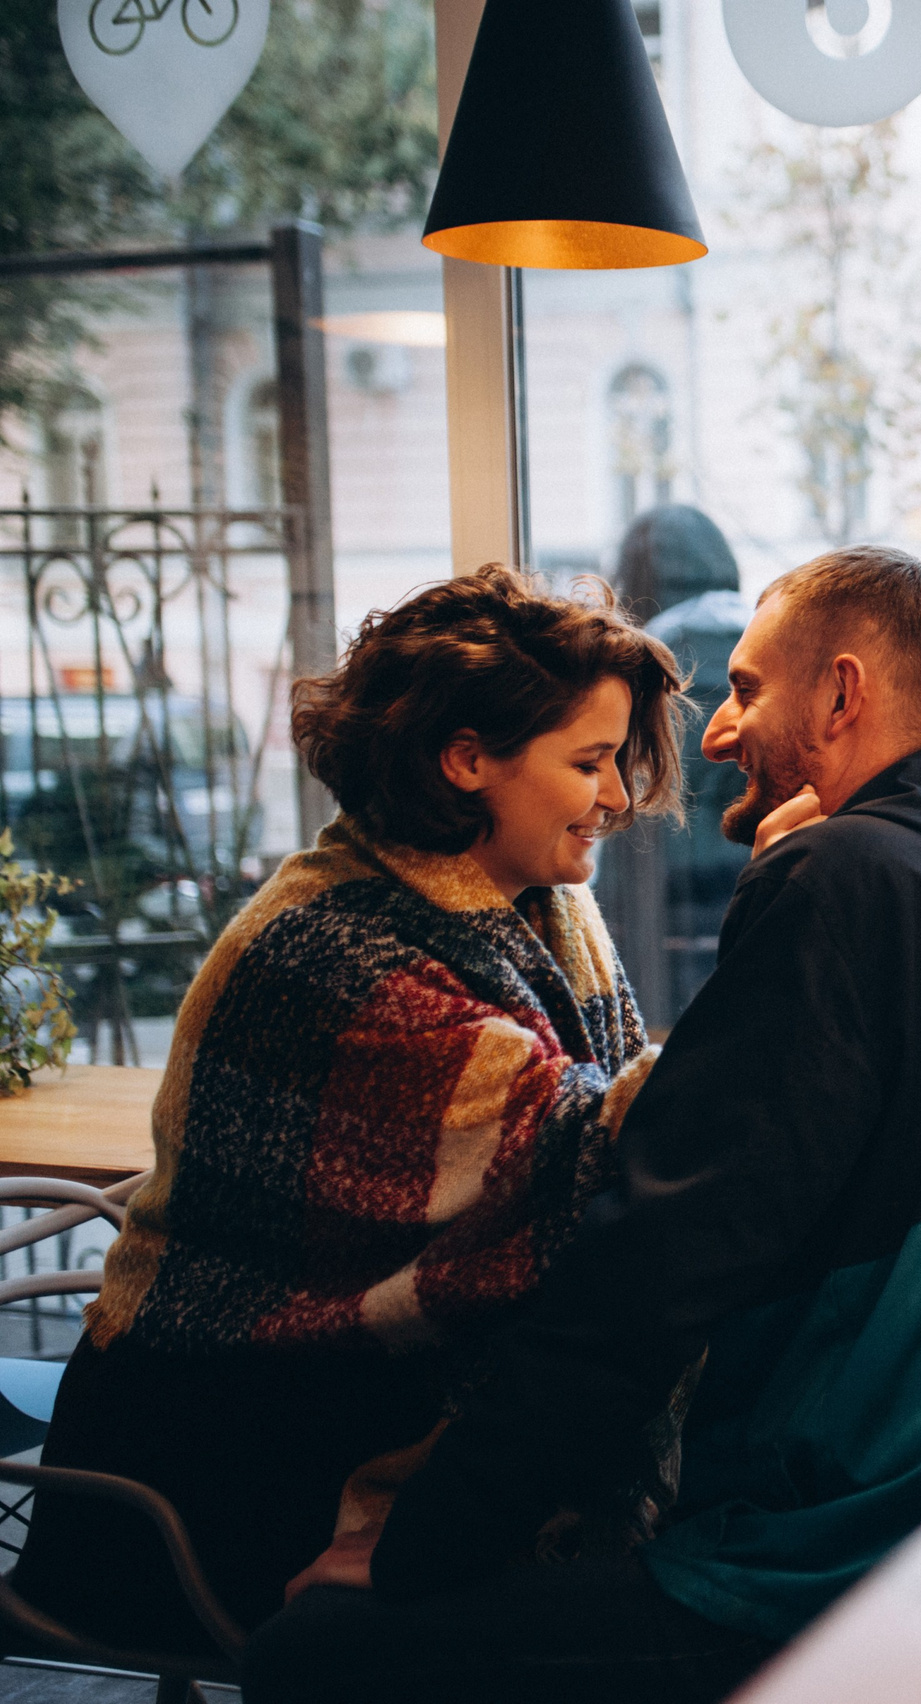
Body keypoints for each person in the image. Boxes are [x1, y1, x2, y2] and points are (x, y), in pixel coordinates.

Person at [241, 545, 921, 1703]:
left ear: (843, 695)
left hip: (849, 1561)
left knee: (310, 1656)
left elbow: (648, 1269)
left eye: (749, 691)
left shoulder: (842, 879)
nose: (713, 734)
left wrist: (416, 1547)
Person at [8, 565, 687, 1654]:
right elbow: (594, 1157)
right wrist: (796, 949)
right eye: (589, 762)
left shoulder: (543, 908)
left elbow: (601, 1122)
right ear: (468, 762)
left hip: (340, 1394)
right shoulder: (328, 959)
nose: (616, 797)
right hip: (232, 1439)